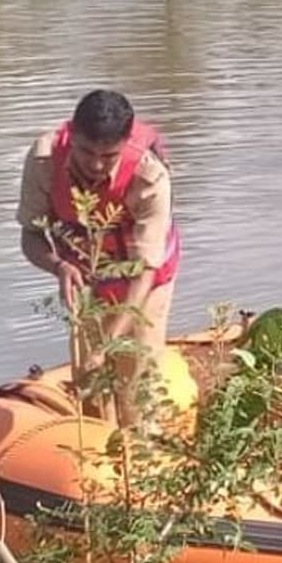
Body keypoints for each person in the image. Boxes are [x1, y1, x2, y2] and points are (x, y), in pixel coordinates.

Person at [16, 89, 181, 427]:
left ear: (124, 146)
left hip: (143, 279)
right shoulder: (44, 160)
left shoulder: (149, 177)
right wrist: (58, 266)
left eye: (108, 156)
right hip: (84, 277)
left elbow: (144, 272)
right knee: (90, 385)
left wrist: (109, 342)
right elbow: (30, 235)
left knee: (136, 377)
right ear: (72, 135)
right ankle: (97, 454)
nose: (94, 164)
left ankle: (142, 451)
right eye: (86, 151)